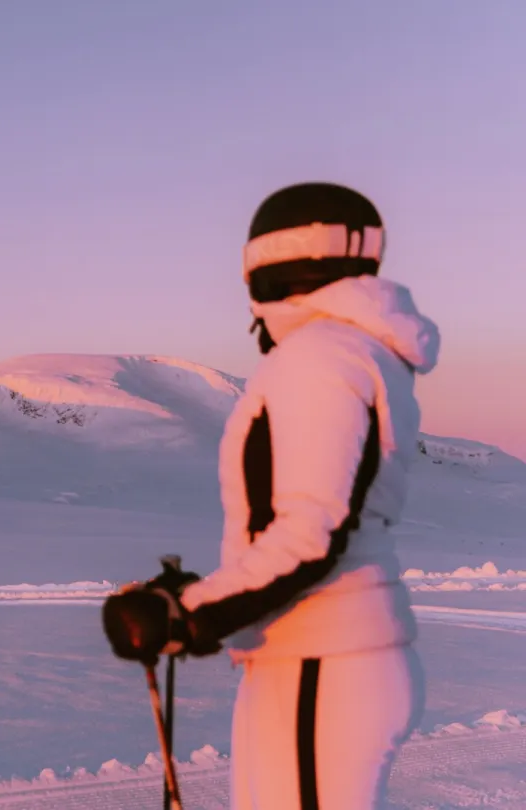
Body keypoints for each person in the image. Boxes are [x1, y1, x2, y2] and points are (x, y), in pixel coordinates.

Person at [102, 182, 439, 809]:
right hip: (307, 653)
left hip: (325, 655)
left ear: (269, 264)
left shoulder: (321, 355)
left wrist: (189, 612)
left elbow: (311, 533)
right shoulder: (349, 352)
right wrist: (208, 599)